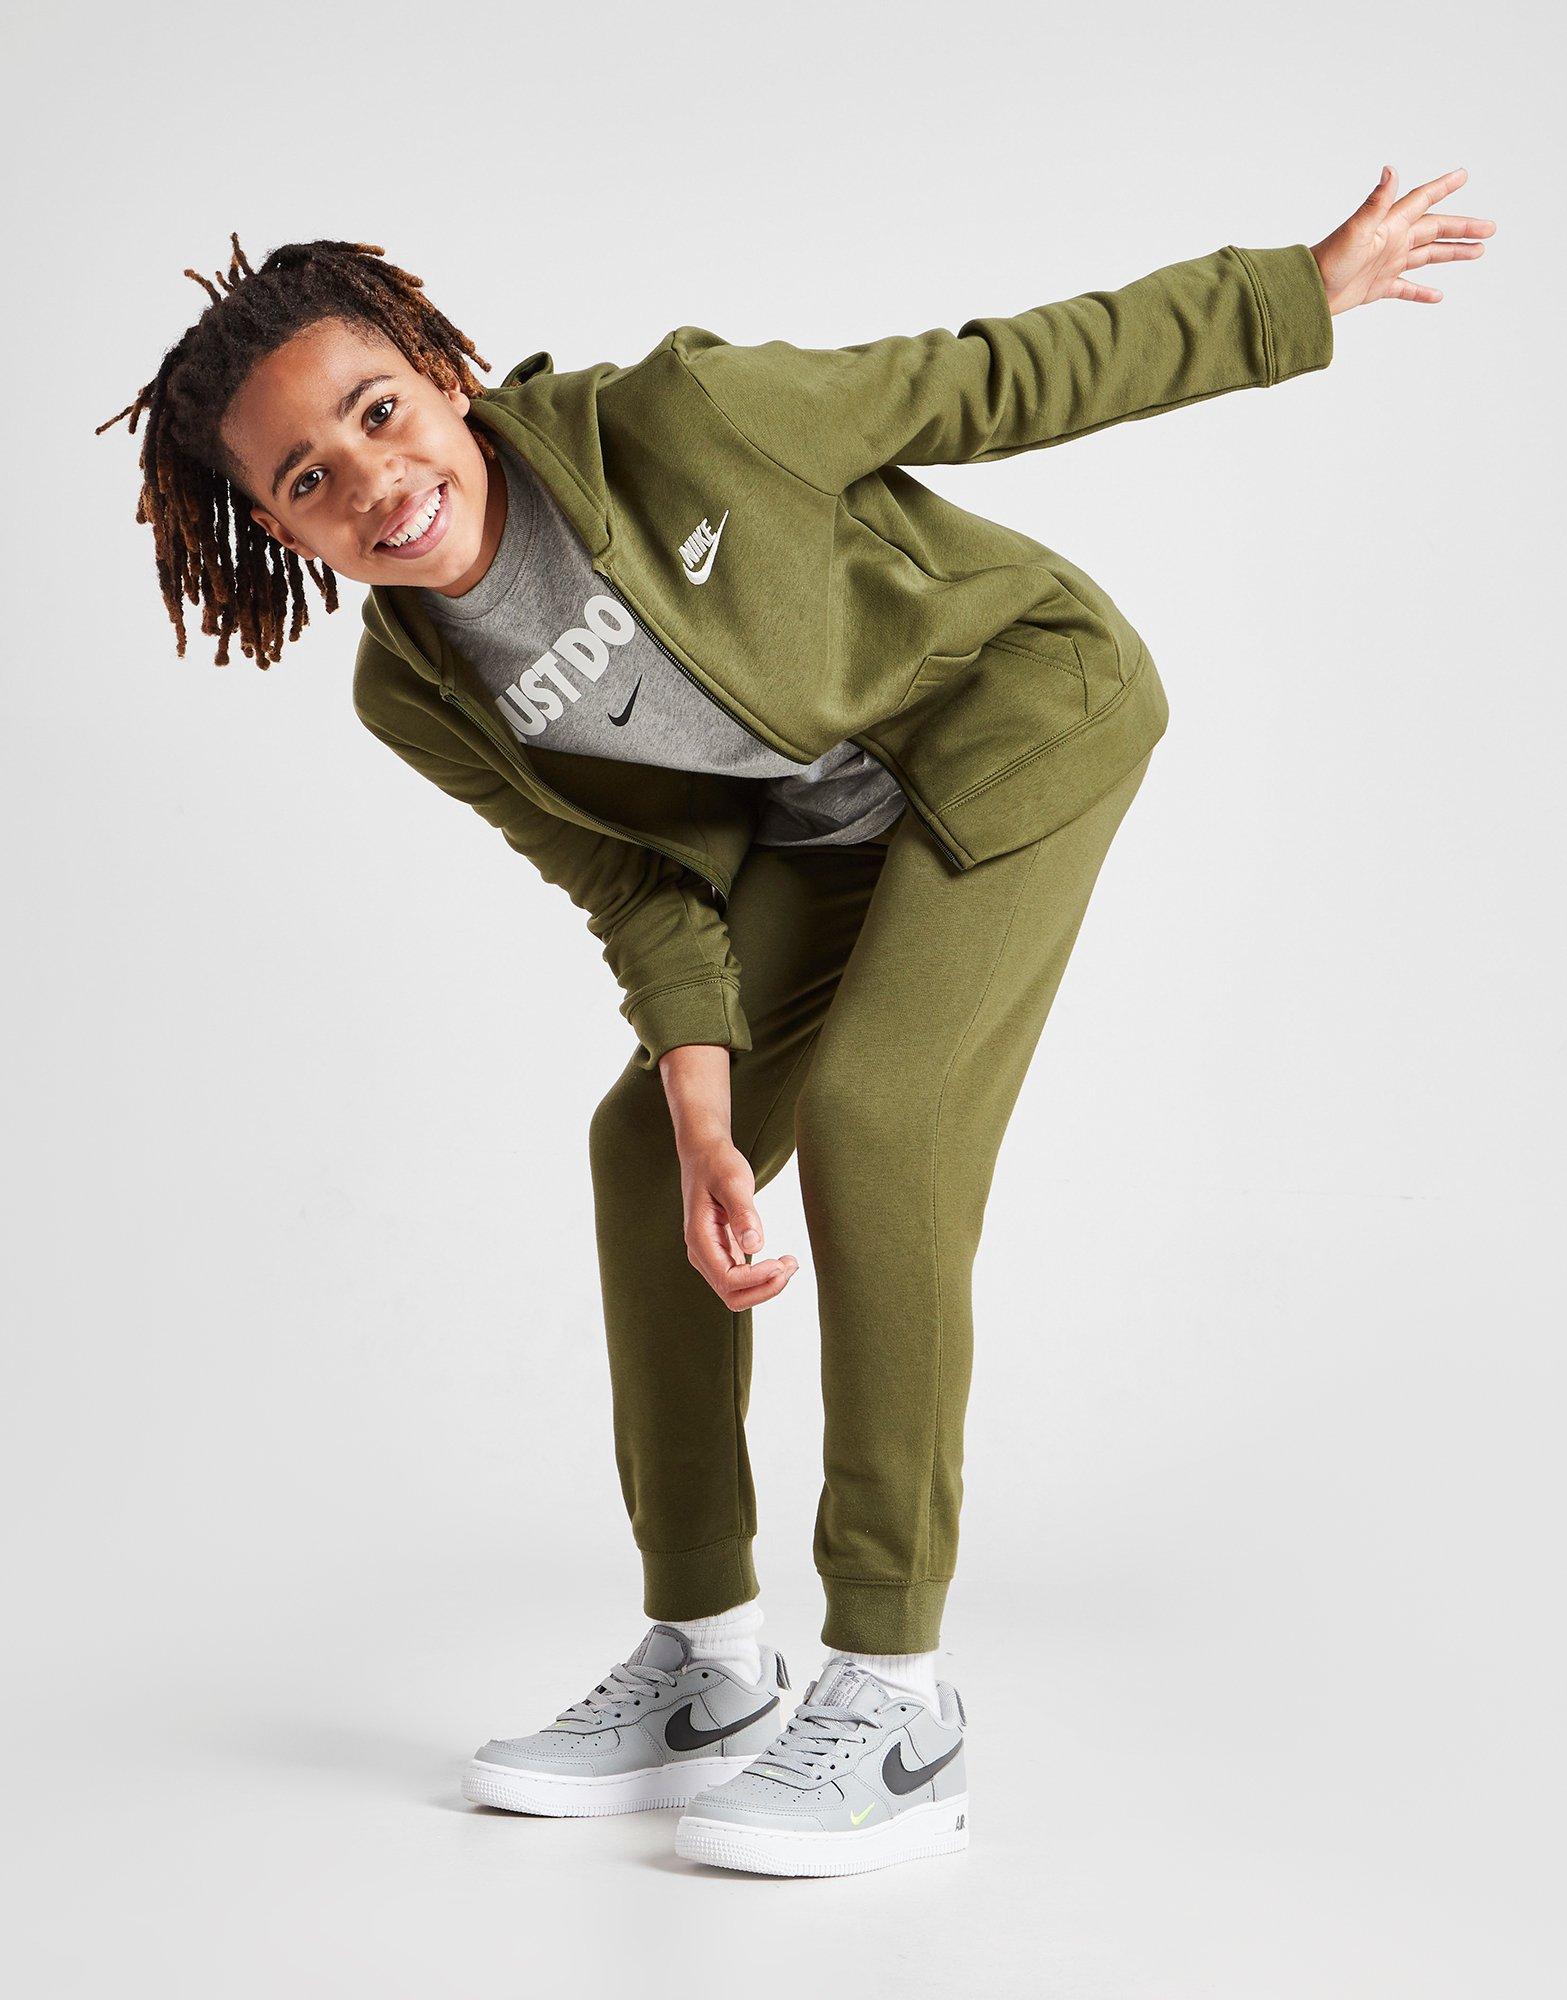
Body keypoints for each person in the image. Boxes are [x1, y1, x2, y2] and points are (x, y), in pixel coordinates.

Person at [99, 167, 1493, 1878]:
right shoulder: (415, 687)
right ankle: (705, 1663)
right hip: (822, 835)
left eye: (378, 411)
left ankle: (897, 1697)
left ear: (440, 373)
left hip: (1017, 718)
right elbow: (635, 881)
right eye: (307, 479)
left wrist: (1296, 291)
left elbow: (993, 376)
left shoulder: (687, 420)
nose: (374, 481)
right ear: (277, 529)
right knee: (640, 1150)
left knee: (882, 1118)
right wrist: (703, 1116)